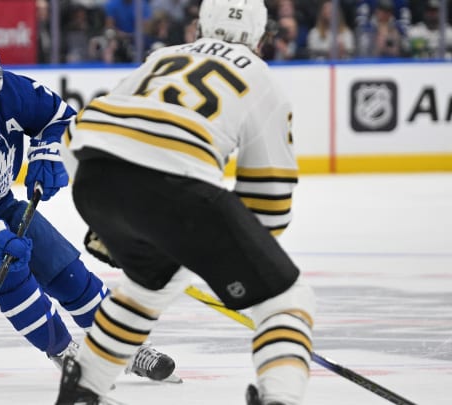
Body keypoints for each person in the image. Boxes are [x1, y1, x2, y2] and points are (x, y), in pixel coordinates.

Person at [55, 0, 316, 404]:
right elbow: (270, 199)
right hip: (177, 187)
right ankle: (281, 396)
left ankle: (83, 388)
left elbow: (78, 136)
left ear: (198, 28)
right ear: (261, 38)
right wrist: (242, 259)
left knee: (146, 288)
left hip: (94, 180)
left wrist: (111, 225)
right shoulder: (261, 77)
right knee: (287, 299)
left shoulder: (163, 57)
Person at [0, 31, 176, 382]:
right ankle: (64, 351)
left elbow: (61, 119)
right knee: (9, 271)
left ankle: (121, 345)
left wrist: (47, 152)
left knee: (61, 266)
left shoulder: (11, 91)